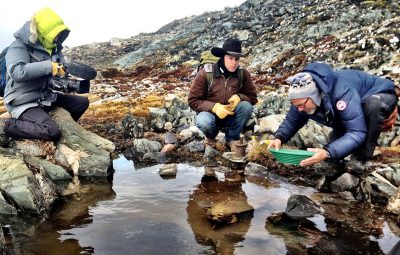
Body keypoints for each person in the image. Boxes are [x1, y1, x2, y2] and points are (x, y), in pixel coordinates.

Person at [268, 62, 398, 171]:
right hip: (352, 106)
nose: (299, 109)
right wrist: (279, 138)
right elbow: (292, 121)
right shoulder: (302, 99)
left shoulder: (341, 93)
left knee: (372, 106)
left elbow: (357, 132)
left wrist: (327, 152)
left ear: (314, 96)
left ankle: (361, 158)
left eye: (302, 105)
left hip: (380, 94)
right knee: (333, 154)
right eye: (296, 105)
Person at [0, 7, 89, 145]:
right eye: (55, 33)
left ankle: (64, 130)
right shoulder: (18, 46)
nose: (57, 37)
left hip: (45, 97)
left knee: (81, 103)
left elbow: (58, 73)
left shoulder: (55, 49)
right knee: (52, 130)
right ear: (42, 32)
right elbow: (18, 72)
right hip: (23, 101)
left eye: (60, 34)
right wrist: (50, 66)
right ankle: (7, 125)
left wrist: (65, 79)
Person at [188, 38, 257, 151]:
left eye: (237, 59)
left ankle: (231, 138)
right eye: (230, 58)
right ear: (223, 56)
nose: (234, 62)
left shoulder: (243, 74)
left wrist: (239, 97)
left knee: (246, 107)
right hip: (210, 115)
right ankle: (211, 138)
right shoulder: (205, 73)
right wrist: (214, 107)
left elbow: (253, 98)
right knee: (204, 121)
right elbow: (193, 100)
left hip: (231, 116)